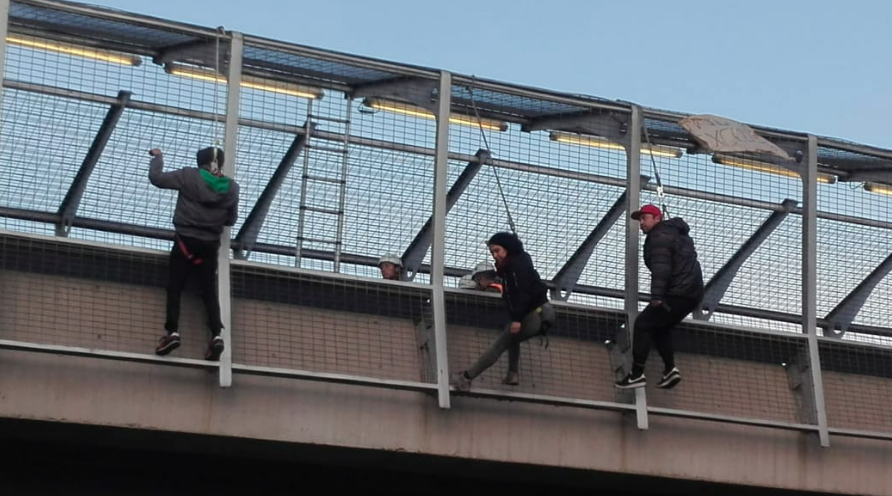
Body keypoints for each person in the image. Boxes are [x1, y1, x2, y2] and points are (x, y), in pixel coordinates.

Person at [148, 146, 240, 361]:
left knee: (175, 287)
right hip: (209, 246)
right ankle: (216, 335)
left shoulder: (189, 176)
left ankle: (172, 332)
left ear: (201, 162)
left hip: (185, 241)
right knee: (208, 292)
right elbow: (230, 220)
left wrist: (158, 157)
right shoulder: (232, 188)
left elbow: (157, 179)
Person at [615, 204, 703, 390]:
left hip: (677, 292)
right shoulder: (677, 233)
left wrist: (657, 296)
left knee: (643, 324)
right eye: (640, 219)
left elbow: (661, 268)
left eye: (644, 218)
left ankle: (637, 374)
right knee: (660, 326)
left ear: (657, 218)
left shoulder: (659, 237)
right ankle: (670, 370)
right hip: (692, 293)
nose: (641, 223)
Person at [450, 232, 554, 390]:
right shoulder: (519, 261)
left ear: (508, 248)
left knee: (499, 345)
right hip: (542, 312)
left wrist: (517, 319)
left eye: (497, 250)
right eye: (492, 252)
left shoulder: (514, 267)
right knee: (512, 338)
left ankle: (466, 378)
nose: (495, 255)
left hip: (533, 315)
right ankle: (512, 373)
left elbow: (520, 292)